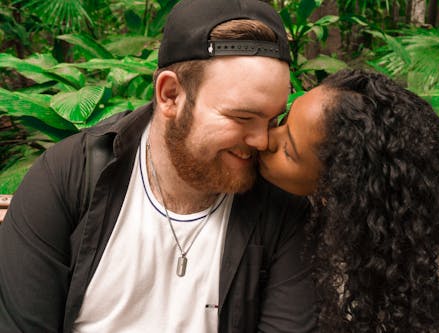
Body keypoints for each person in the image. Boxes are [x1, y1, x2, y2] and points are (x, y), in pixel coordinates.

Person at [0, 0, 317, 332]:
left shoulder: (282, 208)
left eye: (272, 118)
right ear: (170, 95)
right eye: (242, 117)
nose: (262, 141)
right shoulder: (69, 177)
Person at [259, 69, 439, 333]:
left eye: (288, 151)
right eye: (283, 121)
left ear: (337, 188)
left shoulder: (398, 269)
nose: (266, 140)